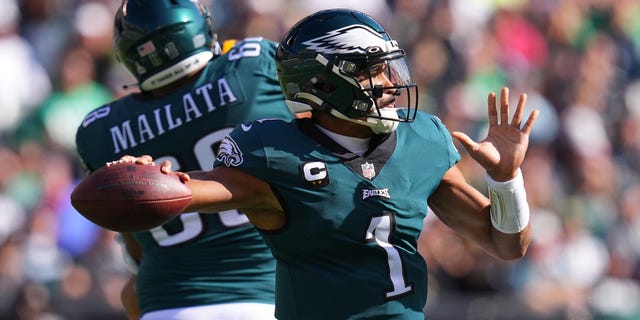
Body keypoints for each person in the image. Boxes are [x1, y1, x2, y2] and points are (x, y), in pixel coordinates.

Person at [105, 8, 538, 320]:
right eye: (373, 71)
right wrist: (148, 177)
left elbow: (505, 245)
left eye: (390, 69)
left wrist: (505, 179)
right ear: (322, 82)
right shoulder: (277, 152)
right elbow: (197, 188)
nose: (391, 83)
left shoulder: (421, 139)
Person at [74, 0, 294, 319]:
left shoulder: (101, 130)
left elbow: (135, 239)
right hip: (269, 296)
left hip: (167, 304)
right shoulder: (252, 68)